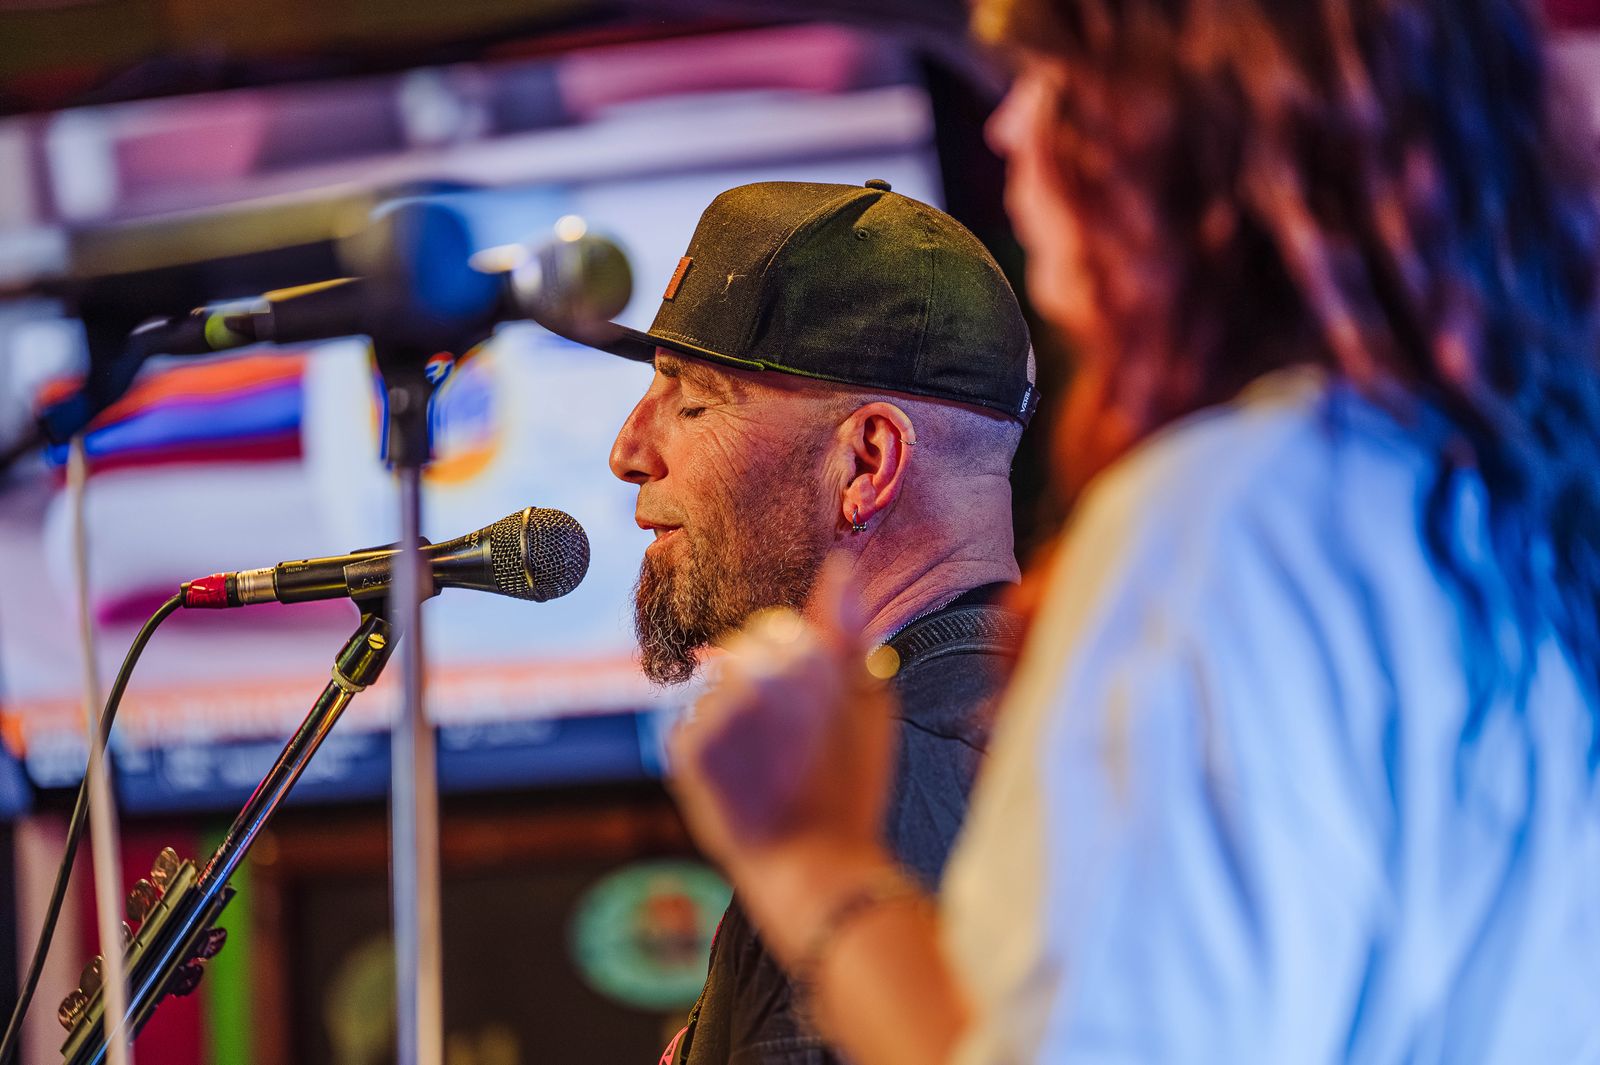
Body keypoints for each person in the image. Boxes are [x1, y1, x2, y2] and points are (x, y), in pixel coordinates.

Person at [665, 2, 1600, 1064]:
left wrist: (809, 855)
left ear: (1203, 128)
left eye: (1052, 77)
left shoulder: (1232, 525)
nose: (1006, 124)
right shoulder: (1499, 505)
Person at [589, 179, 1040, 1063]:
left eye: (694, 400)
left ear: (867, 462)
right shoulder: (1029, 728)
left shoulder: (870, 791)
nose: (629, 450)